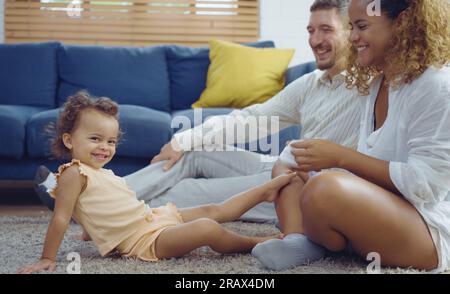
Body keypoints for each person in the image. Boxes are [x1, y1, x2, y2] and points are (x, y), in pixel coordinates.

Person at [35, 0, 361, 227]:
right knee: (191, 153)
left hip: (305, 187)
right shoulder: (310, 83)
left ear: (352, 31)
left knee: (181, 194)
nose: (315, 40)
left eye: (326, 30)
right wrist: (183, 139)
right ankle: (84, 192)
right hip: (283, 167)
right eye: (310, 30)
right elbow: (251, 119)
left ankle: (83, 204)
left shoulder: (374, 83)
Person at [252, 0, 450, 272]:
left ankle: (317, 240)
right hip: (382, 209)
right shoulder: (377, 84)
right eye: (349, 27)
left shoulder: (435, 85)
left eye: (361, 26)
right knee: (289, 168)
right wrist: (314, 157)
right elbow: (370, 171)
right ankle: (299, 240)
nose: (352, 37)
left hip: (426, 229)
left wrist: (342, 158)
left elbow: (427, 187)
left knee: (325, 188)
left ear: (402, 22)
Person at [18, 92, 297, 274]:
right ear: (69, 140)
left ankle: (265, 190)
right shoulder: (73, 173)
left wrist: (94, 229)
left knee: (213, 209)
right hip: (144, 240)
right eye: (95, 139)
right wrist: (47, 258)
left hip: (150, 218)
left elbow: (105, 208)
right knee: (206, 228)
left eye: (111, 141)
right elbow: (60, 218)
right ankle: (256, 242)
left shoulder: (103, 174)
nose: (104, 147)